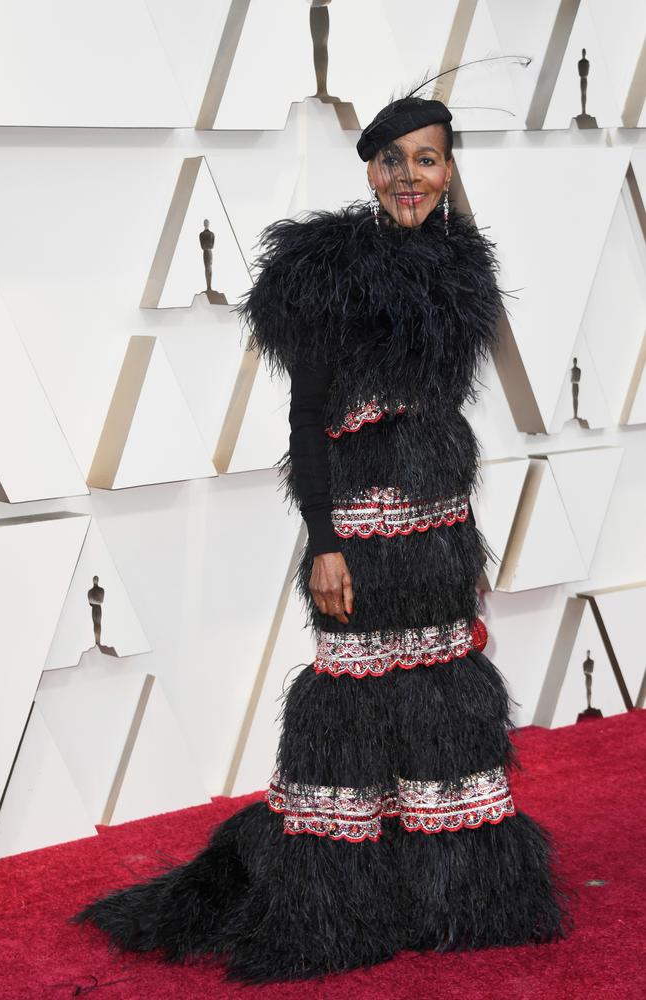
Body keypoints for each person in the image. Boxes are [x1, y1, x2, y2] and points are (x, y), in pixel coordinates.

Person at [73, 91, 573, 984]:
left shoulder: (462, 273)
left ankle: (454, 896)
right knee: (350, 709)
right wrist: (324, 542)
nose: (409, 177)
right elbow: (307, 423)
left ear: (449, 169)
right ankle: (343, 903)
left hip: (440, 531)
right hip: (361, 535)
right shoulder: (326, 274)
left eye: (426, 159)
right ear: (370, 170)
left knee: (444, 700)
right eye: (392, 160)